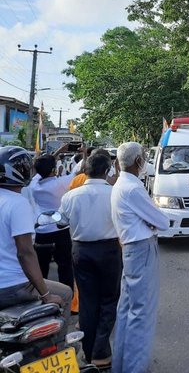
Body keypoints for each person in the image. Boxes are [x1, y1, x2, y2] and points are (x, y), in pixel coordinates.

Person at [0, 146, 72, 337]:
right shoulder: (17, 203)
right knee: (65, 293)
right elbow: (25, 252)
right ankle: (59, 348)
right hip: (14, 287)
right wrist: (46, 295)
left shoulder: (24, 193)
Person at [111, 142, 169, 373]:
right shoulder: (133, 188)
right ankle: (135, 368)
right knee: (141, 314)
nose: (145, 160)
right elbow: (162, 222)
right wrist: (152, 223)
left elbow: (154, 220)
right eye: (144, 157)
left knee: (127, 310)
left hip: (131, 248)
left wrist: (151, 222)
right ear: (138, 162)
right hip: (141, 249)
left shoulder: (121, 184)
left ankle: (122, 365)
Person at [59, 154, 121, 367]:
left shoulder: (70, 196)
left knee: (87, 300)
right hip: (109, 250)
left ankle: (88, 350)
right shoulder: (115, 194)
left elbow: (61, 222)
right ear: (107, 170)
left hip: (81, 251)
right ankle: (101, 352)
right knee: (108, 300)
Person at [24, 146, 78, 290]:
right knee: (65, 268)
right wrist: (83, 153)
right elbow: (78, 170)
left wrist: (56, 153)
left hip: (41, 230)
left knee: (42, 269)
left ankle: (42, 298)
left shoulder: (34, 185)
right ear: (54, 170)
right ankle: (68, 300)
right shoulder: (60, 183)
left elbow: (39, 168)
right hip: (60, 229)